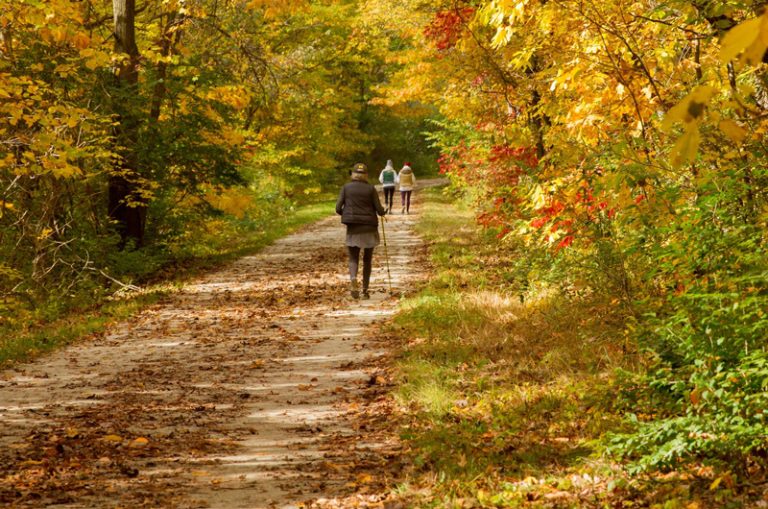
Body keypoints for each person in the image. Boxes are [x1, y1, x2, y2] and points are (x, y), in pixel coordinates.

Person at [336, 163, 387, 299]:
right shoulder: (370, 189)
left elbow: (337, 208)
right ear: (366, 175)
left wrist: (346, 214)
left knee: (353, 257)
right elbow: (379, 210)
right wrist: (384, 211)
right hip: (369, 227)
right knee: (367, 259)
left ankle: (353, 278)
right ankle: (365, 290)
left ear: (353, 174)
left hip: (353, 228)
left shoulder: (346, 188)